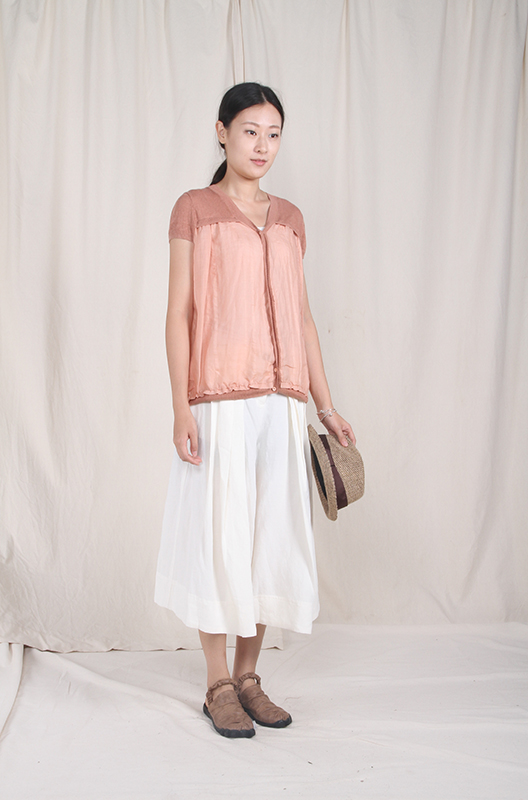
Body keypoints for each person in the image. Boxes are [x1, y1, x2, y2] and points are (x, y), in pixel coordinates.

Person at [154, 82, 356, 739]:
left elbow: (303, 317)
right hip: (218, 400)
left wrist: (326, 405)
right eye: (249, 131)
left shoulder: (291, 217)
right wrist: (181, 404)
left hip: (281, 403)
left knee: (270, 536)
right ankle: (217, 684)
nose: (262, 145)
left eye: (273, 134)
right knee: (222, 538)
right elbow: (179, 313)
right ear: (222, 133)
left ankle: (248, 677)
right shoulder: (194, 209)